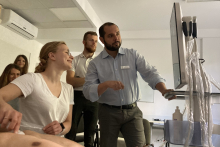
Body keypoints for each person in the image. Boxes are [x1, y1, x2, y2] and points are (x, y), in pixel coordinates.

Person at [83, 22, 176, 147]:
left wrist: (163, 90)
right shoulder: (95, 63)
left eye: (117, 34)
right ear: (102, 39)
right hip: (107, 113)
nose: (116, 38)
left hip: (133, 112)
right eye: (110, 35)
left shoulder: (133, 55)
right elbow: (88, 91)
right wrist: (106, 84)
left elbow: (150, 73)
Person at [0, 41, 83, 147]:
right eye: (67, 52)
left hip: (55, 140)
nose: (71, 57)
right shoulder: (31, 79)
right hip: (28, 139)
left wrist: (61, 128)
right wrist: (5, 106)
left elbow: (68, 122)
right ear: (52, 55)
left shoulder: (69, 88)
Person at [65, 31, 99, 147]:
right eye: (91, 40)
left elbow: (101, 82)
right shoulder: (74, 60)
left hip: (94, 98)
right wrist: (92, 79)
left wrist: (79, 79)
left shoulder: (100, 62)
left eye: (96, 41)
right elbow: (70, 81)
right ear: (84, 42)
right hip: (76, 96)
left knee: (90, 134)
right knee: (71, 130)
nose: (94, 43)